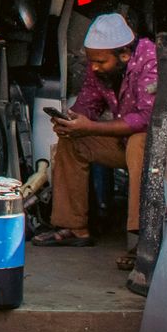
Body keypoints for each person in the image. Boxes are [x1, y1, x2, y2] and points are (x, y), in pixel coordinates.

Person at [32, 13, 157, 267]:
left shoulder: (149, 59)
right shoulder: (99, 68)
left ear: (123, 54)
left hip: (158, 145)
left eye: (100, 61)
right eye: (91, 61)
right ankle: (73, 227)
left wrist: (92, 126)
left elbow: (147, 118)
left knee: (139, 141)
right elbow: (88, 104)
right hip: (123, 142)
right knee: (72, 140)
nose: (94, 67)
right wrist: (73, 121)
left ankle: (140, 240)